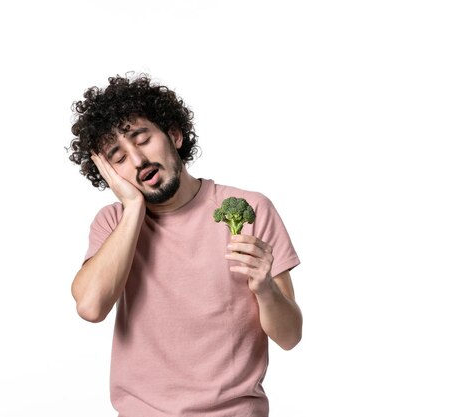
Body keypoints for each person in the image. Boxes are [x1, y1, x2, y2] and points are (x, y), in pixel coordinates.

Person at [68, 74, 302, 417]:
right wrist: (133, 207)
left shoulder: (250, 209)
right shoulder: (112, 223)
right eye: (117, 157)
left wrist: (265, 288)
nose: (136, 160)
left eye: (142, 139)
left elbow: (290, 336)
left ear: (174, 135)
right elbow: (90, 307)